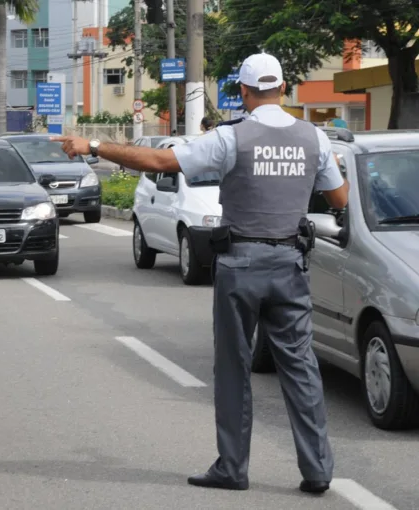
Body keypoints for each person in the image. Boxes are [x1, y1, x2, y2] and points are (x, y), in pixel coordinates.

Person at [52, 53, 349, 495]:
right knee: (301, 367)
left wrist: (93, 147)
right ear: (283, 89)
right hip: (290, 263)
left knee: (234, 367)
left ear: (245, 93)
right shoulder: (314, 138)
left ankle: (233, 468)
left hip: (240, 264)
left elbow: (159, 163)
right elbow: (340, 199)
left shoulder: (231, 138)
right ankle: (318, 469)